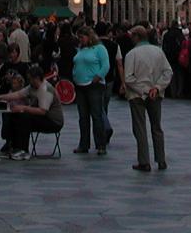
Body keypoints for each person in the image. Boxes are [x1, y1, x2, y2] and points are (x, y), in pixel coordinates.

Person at [122, 24, 173, 172]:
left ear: (137, 37)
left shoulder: (132, 54)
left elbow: (129, 78)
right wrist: (156, 88)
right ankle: (161, 159)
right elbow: (168, 72)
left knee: (140, 128)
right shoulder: (158, 52)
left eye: (132, 35)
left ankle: (144, 161)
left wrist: (144, 90)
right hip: (155, 94)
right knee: (157, 127)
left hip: (137, 95)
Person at [0, 64, 63, 161]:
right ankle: (11, 145)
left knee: (25, 117)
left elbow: (42, 111)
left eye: (30, 79)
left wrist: (23, 108)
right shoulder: (32, 87)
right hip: (42, 117)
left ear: (36, 78)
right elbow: (18, 94)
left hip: (53, 121)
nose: (28, 81)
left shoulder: (46, 89)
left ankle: (23, 150)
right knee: (13, 115)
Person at [72, 26, 112, 155]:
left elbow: (106, 65)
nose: (80, 39)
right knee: (83, 117)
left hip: (94, 85)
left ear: (89, 37)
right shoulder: (81, 49)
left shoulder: (99, 49)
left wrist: (98, 76)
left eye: (82, 37)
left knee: (96, 115)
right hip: (80, 86)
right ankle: (83, 144)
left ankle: (100, 144)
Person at [161, 23, 184, 98]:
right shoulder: (180, 34)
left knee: (172, 75)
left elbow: (164, 47)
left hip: (170, 57)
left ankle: (173, 92)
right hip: (179, 57)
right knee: (179, 75)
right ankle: (179, 92)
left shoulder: (167, 35)